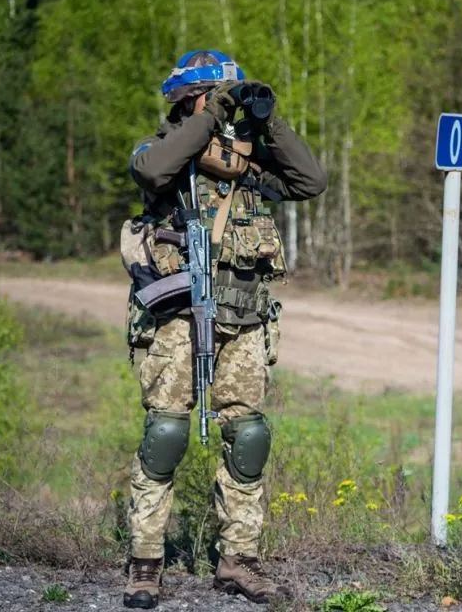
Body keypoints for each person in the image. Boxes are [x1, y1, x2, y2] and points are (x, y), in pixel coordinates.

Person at [118, 49, 327, 609]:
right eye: (214, 96)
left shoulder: (248, 161)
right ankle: (145, 563)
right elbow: (153, 170)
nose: (224, 108)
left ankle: (239, 560)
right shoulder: (162, 151)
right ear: (188, 100)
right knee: (166, 436)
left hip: (245, 318)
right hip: (178, 318)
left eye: (225, 98)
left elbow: (311, 180)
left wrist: (268, 122)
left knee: (249, 437)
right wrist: (209, 118)